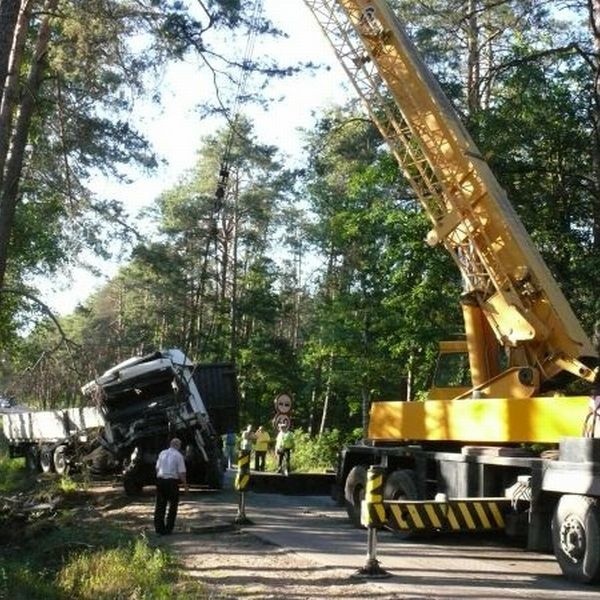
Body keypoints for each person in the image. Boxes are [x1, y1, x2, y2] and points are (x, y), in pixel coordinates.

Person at [154, 437, 188, 535]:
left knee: (160, 506)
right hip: (172, 482)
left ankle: (159, 529)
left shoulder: (162, 453)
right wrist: (185, 486)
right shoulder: (178, 456)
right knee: (173, 506)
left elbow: (157, 468)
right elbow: (182, 473)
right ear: (178, 446)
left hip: (161, 481)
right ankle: (168, 529)